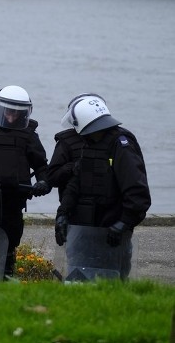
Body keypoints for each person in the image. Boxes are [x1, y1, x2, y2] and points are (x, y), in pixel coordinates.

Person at [54, 97, 151, 278]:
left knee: (111, 285)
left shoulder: (122, 145)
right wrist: (63, 213)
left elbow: (137, 192)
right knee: (77, 282)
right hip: (83, 230)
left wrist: (123, 223)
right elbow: (76, 183)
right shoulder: (90, 144)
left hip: (112, 235)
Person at [0, 85, 49, 277]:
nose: (11, 117)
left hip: (13, 198)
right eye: (8, 111)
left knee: (8, 243)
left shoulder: (28, 134)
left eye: (17, 113)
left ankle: (6, 276)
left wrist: (43, 182)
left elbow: (42, 165)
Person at [43, 93, 108, 200]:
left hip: (107, 205)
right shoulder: (66, 141)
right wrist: (73, 167)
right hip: (72, 206)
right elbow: (52, 177)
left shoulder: (114, 139)